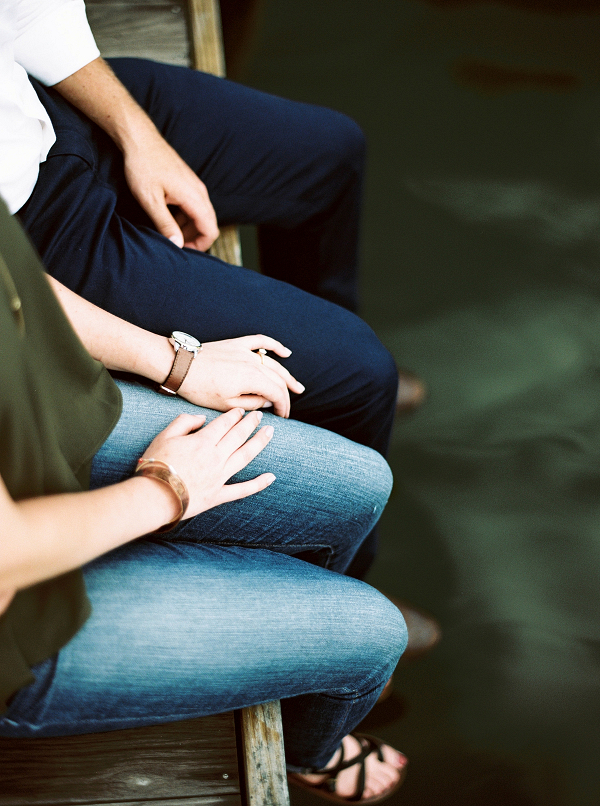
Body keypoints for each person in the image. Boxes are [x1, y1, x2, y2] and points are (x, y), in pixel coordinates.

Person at [1, 0, 424, 583]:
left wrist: (139, 135)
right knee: (362, 372)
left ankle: (321, 386)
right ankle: (348, 581)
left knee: (332, 153)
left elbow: (30, 13)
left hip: (41, 112)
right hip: (27, 244)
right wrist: (179, 363)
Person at [0, 200, 408, 802]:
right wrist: (167, 491)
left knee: (360, 481)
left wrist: (174, 361)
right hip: (22, 620)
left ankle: (295, 647)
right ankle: (308, 750)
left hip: (42, 423)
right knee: (376, 632)